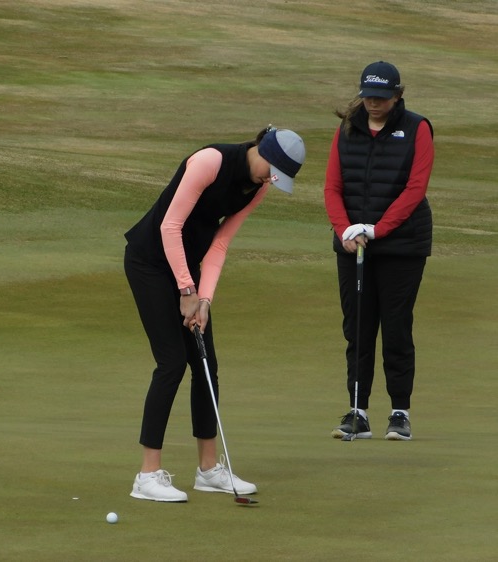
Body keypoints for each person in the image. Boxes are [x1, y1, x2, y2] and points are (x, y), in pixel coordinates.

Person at [124, 126, 306, 501]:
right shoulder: (211, 161)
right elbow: (170, 226)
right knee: (172, 362)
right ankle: (147, 475)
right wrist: (186, 291)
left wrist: (204, 300)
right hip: (149, 263)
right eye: (273, 171)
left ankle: (208, 470)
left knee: (206, 364)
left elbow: (220, 244)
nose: (271, 180)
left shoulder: (258, 187)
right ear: (263, 150)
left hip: (187, 272)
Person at [324, 61, 434, 441]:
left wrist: (377, 229)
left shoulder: (417, 128)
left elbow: (415, 188)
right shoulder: (347, 128)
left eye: (382, 97)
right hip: (353, 244)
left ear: (397, 96)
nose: (374, 103)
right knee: (357, 327)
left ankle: (400, 412)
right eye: (369, 96)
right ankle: (358, 412)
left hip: (402, 245)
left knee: (396, 327)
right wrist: (344, 229)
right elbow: (332, 187)